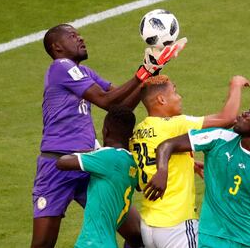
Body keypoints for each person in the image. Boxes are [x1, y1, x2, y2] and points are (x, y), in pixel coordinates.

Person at [31, 23, 185, 248]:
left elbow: (120, 107)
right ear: (57, 47)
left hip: (91, 164)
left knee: (137, 235)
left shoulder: (85, 72)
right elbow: (105, 100)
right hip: (57, 164)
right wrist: (143, 71)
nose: (80, 39)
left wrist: (152, 71)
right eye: (73, 36)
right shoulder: (60, 67)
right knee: (42, 244)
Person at [147, 102, 250, 248]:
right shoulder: (218, 138)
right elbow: (167, 145)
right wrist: (162, 171)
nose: (243, 113)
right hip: (211, 239)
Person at [129, 74, 250, 248]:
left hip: (149, 225)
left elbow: (152, 160)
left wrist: (190, 164)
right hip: (176, 224)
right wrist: (236, 85)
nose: (180, 98)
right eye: (175, 93)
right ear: (161, 99)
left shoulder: (139, 131)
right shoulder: (175, 124)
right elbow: (228, 118)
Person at [56, 105, 138, 248]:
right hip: (108, 242)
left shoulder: (107, 157)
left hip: (92, 243)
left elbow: (62, 162)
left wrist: (94, 151)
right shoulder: (131, 164)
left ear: (105, 131)